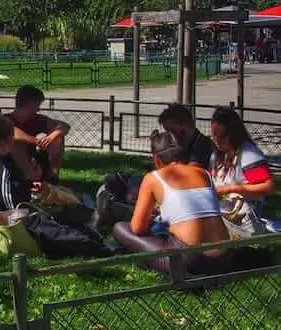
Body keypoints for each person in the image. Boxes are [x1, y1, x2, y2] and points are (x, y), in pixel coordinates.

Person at [113, 130, 233, 277]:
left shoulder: (153, 177)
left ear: (157, 159)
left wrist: (150, 219)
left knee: (120, 228)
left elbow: (137, 228)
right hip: (225, 257)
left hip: (190, 260)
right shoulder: (203, 173)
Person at [210, 107, 274, 208]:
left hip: (245, 216)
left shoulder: (248, 154)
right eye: (214, 136)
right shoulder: (217, 154)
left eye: (222, 136)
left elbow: (268, 187)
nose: (217, 141)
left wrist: (232, 188)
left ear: (233, 134)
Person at [6, 86, 70, 184]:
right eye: (37, 105)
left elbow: (64, 126)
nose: (38, 109)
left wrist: (51, 137)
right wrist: (36, 141)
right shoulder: (5, 119)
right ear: (29, 104)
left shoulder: (37, 119)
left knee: (58, 137)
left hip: (33, 157)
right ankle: (29, 176)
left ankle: (53, 178)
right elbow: (11, 131)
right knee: (16, 142)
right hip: (10, 160)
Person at [158, 103, 213, 169]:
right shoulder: (183, 146)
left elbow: (191, 173)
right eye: (168, 132)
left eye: (173, 131)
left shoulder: (203, 146)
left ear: (186, 123)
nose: (171, 137)